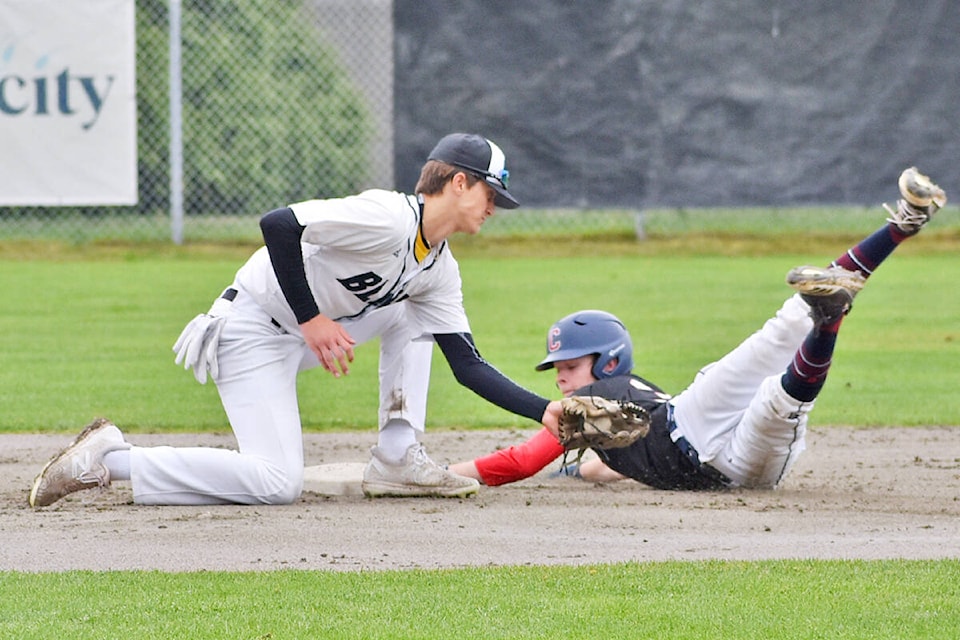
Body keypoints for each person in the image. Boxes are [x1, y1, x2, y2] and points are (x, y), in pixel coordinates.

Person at [30, 132, 561, 507]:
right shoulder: (386, 216)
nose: (495, 207)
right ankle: (110, 459)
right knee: (276, 483)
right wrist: (312, 318)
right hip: (252, 329)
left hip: (308, 336)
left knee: (411, 309)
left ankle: (397, 456)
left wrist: (547, 410)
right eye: (493, 193)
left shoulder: (439, 268)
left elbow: (466, 364)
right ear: (461, 182)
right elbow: (279, 224)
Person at [450, 166, 947, 490]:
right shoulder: (633, 402)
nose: (560, 379)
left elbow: (519, 461)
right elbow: (611, 464)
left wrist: (448, 474)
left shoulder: (587, 412)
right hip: (719, 446)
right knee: (780, 399)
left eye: (571, 365)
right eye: (556, 369)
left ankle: (891, 238)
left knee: (784, 333)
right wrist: (586, 470)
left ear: (608, 362)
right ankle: (835, 309)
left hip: (692, 423)